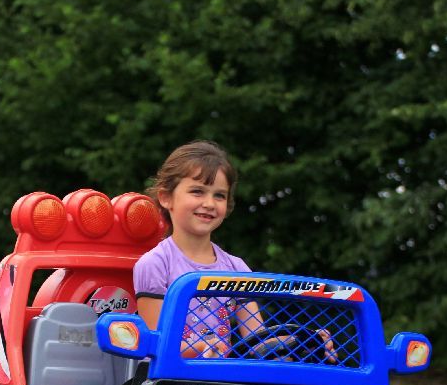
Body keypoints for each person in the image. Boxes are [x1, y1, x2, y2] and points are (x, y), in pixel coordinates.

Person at [134, 140, 335, 361]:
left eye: (219, 195)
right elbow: (157, 343)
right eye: (197, 191)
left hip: (221, 384)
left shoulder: (236, 268)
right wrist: (201, 347)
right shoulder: (155, 264)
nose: (210, 203)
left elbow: (258, 342)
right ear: (166, 198)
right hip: (168, 384)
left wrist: (302, 342)